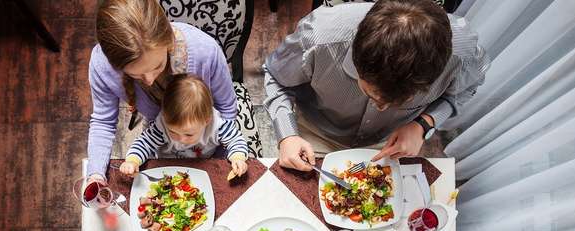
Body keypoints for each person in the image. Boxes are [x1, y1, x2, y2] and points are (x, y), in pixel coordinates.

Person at [264, 0, 490, 172]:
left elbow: (465, 90)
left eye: (401, 102)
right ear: (357, 60)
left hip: (390, 143)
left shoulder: (463, 54)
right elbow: (275, 77)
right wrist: (287, 135)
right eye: (370, 93)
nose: (381, 108)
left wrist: (423, 124)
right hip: (317, 132)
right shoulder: (319, 37)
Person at [87, 0, 239, 181]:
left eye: (158, 66)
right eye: (136, 75)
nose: (149, 80)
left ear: (168, 41)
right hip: (161, 139)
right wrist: (95, 175)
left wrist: (217, 166)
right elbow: (103, 123)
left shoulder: (205, 51)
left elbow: (227, 109)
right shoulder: (102, 66)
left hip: (207, 141)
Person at [120, 74, 249, 179]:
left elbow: (236, 140)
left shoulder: (216, 125)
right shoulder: (162, 124)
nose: (181, 139)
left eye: (189, 134)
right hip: (166, 168)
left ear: (207, 120)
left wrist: (238, 158)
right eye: (173, 131)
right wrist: (132, 161)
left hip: (202, 167)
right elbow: (144, 143)